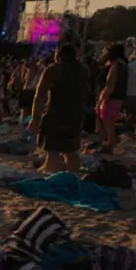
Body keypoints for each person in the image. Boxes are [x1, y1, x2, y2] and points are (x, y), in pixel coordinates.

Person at [29, 44, 89, 173]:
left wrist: (35, 119)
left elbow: (39, 96)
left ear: (58, 55)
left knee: (53, 152)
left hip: (56, 114)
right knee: (71, 152)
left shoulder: (53, 70)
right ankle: (72, 179)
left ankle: (52, 177)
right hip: (76, 114)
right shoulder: (83, 70)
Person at [95, 43, 128, 155]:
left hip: (111, 97)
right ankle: (110, 142)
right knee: (110, 122)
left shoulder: (116, 66)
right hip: (119, 97)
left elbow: (110, 85)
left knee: (107, 121)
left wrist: (101, 99)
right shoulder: (123, 65)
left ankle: (110, 144)